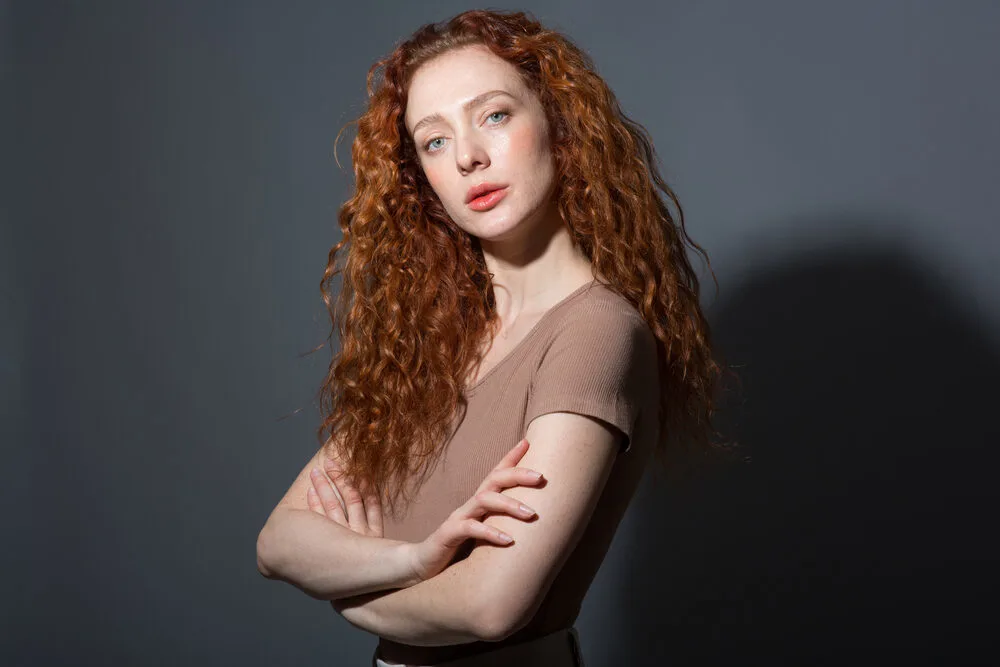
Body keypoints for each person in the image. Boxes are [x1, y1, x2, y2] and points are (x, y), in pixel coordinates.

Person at [256, 9, 724, 666]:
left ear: (560, 127)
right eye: (435, 141)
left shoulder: (596, 330)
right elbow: (277, 542)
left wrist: (353, 594)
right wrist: (417, 558)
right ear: (422, 177)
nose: (470, 155)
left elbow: (492, 604)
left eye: (494, 115)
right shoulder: (439, 342)